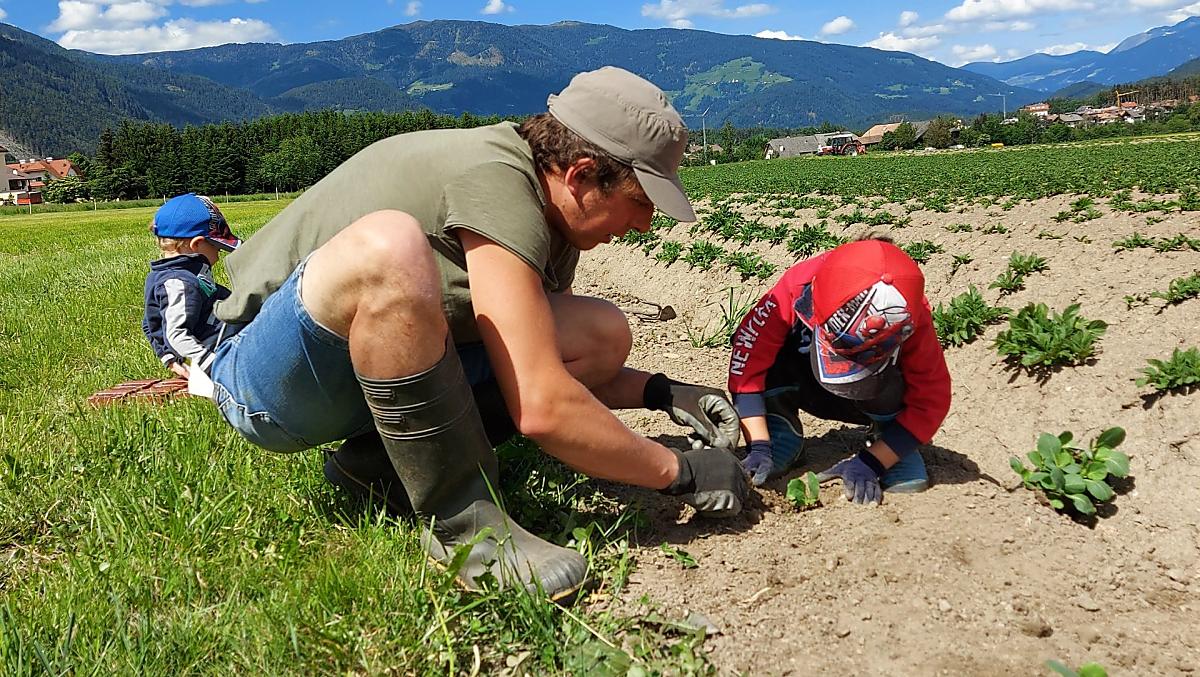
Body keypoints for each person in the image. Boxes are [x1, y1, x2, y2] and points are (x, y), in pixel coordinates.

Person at [207, 67, 748, 601]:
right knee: (389, 246)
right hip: (268, 380)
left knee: (598, 332)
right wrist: (676, 470)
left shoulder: (554, 217)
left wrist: (663, 392)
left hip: (358, 372)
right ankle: (463, 523)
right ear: (582, 175)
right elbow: (542, 407)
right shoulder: (497, 181)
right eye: (641, 201)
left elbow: (534, 361)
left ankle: (377, 470)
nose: (645, 224)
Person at [727, 238, 951, 504]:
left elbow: (931, 400)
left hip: (871, 396)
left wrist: (874, 461)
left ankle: (889, 439)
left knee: (900, 377)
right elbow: (747, 358)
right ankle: (780, 429)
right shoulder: (799, 285)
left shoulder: (909, 317)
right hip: (803, 377)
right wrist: (759, 445)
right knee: (770, 348)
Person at [142, 193, 241, 379]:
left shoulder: (185, 274)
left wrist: (169, 358)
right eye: (217, 247)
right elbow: (176, 334)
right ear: (196, 244)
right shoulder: (179, 283)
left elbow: (151, 324)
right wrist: (213, 366)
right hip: (226, 353)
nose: (219, 254)